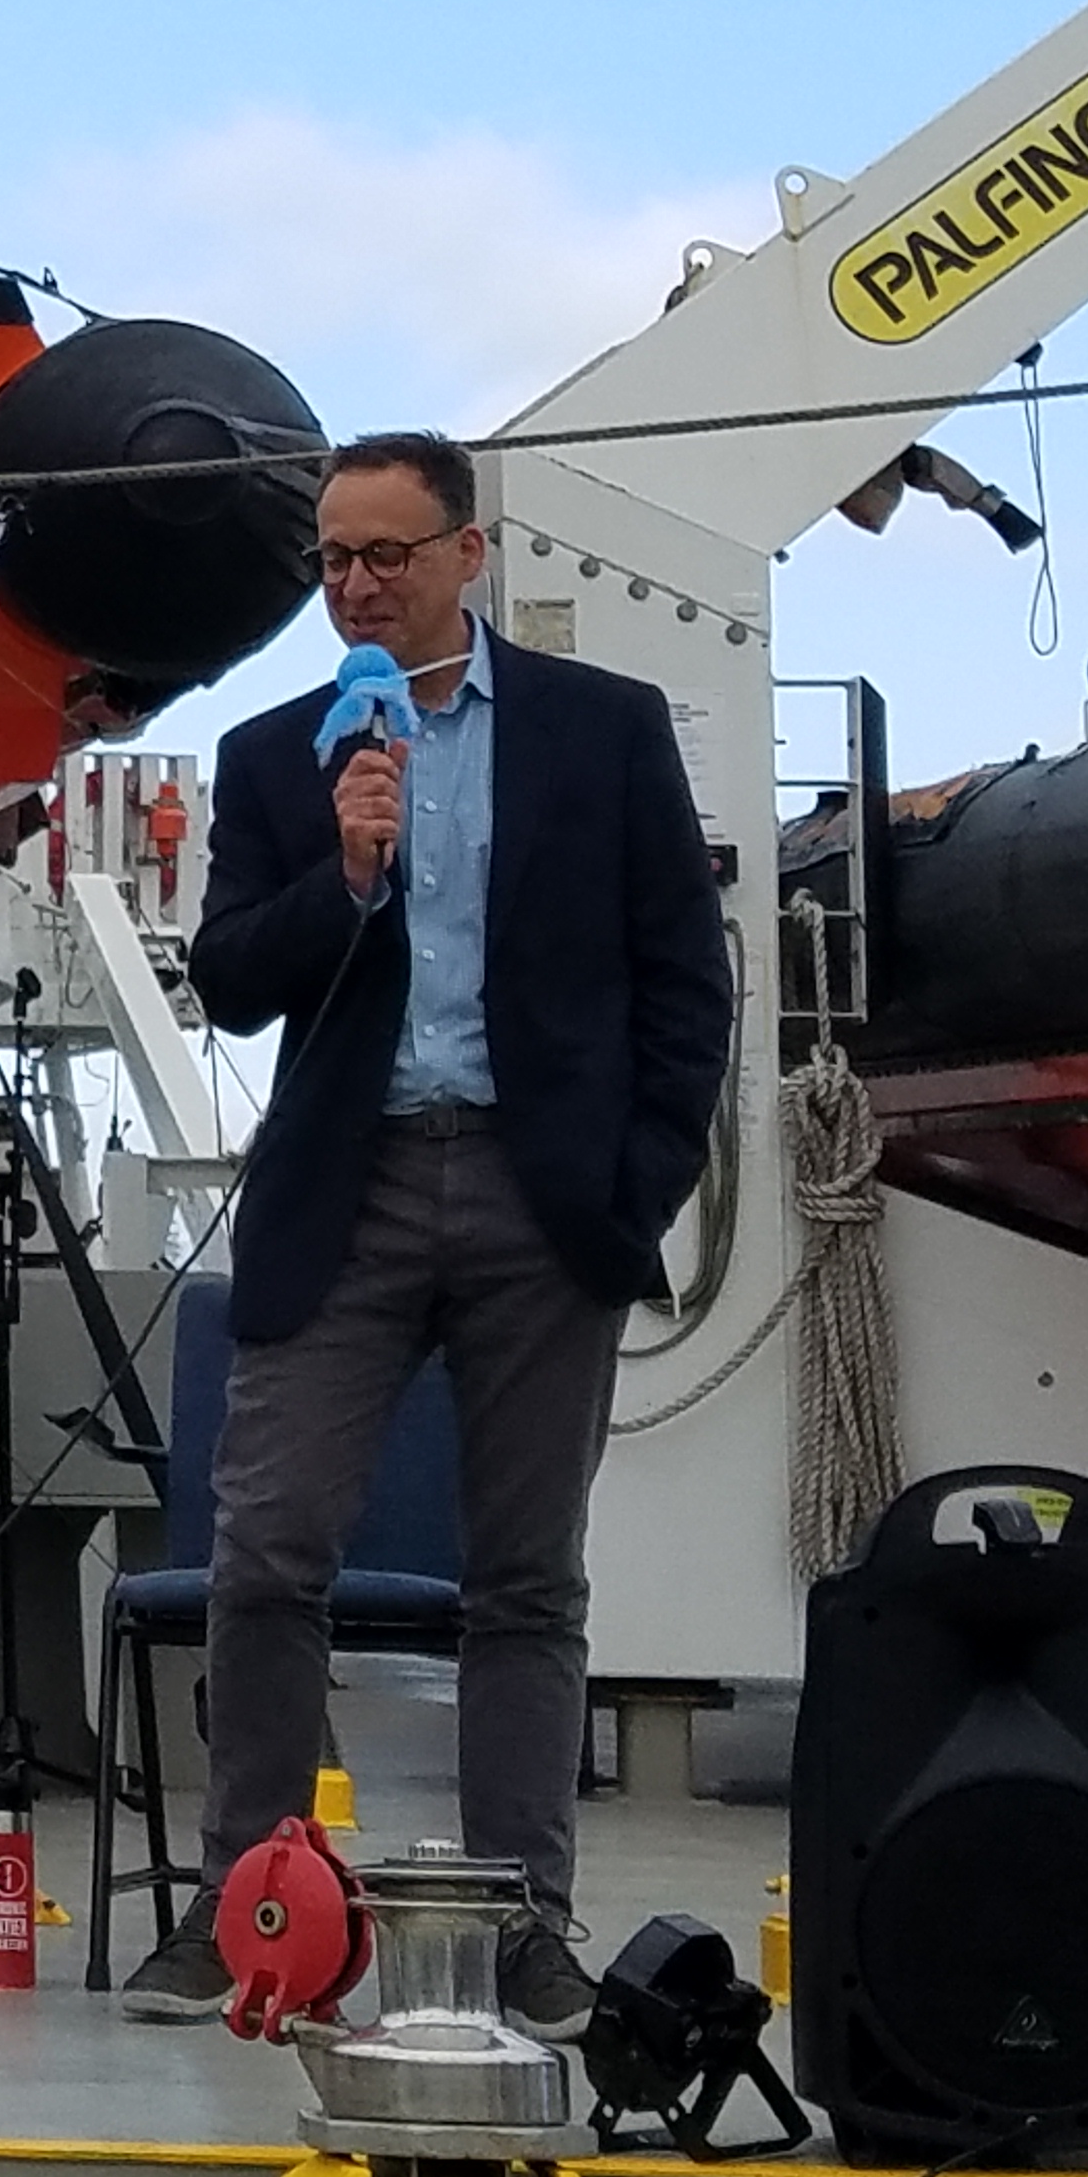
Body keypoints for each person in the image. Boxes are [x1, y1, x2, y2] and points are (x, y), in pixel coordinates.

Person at [118, 430, 728, 2036]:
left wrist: (635, 1179)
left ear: (470, 555)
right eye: (331, 560)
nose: (356, 585)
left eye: (386, 555)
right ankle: (253, 1909)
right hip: (353, 1184)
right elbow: (237, 979)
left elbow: (685, 979)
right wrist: (348, 870)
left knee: (526, 1581)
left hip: (545, 1191)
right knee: (264, 1553)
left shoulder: (604, 733)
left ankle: (528, 1925)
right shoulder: (272, 759)